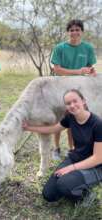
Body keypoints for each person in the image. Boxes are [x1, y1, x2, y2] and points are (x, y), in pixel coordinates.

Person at [22, 89, 102, 202]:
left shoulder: (98, 124)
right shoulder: (70, 118)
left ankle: (87, 196)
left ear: (83, 101)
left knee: (64, 184)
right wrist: (28, 127)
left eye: (75, 101)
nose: (72, 105)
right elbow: (53, 128)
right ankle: (72, 185)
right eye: (68, 103)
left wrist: (71, 168)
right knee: (48, 194)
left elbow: (98, 158)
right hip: (75, 158)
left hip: (95, 166)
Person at [51, 19, 97, 160]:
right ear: (68, 32)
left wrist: (92, 72)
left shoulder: (88, 48)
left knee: (75, 118)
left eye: (77, 29)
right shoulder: (60, 48)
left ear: (82, 32)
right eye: (72, 30)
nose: (75, 32)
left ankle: (73, 149)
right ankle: (56, 149)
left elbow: (90, 67)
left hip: (79, 88)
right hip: (60, 86)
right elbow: (57, 69)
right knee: (59, 118)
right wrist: (77, 71)